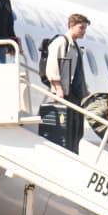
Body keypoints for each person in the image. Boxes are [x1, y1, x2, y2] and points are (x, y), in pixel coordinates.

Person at [44, 13, 90, 152]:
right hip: (65, 93)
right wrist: (58, 88)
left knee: (76, 129)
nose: (83, 31)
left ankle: (73, 152)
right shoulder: (61, 42)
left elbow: (77, 72)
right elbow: (52, 67)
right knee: (66, 130)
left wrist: (85, 90)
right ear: (71, 26)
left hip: (75, 95)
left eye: (85, 28)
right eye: (81, 27)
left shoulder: (75, 46)